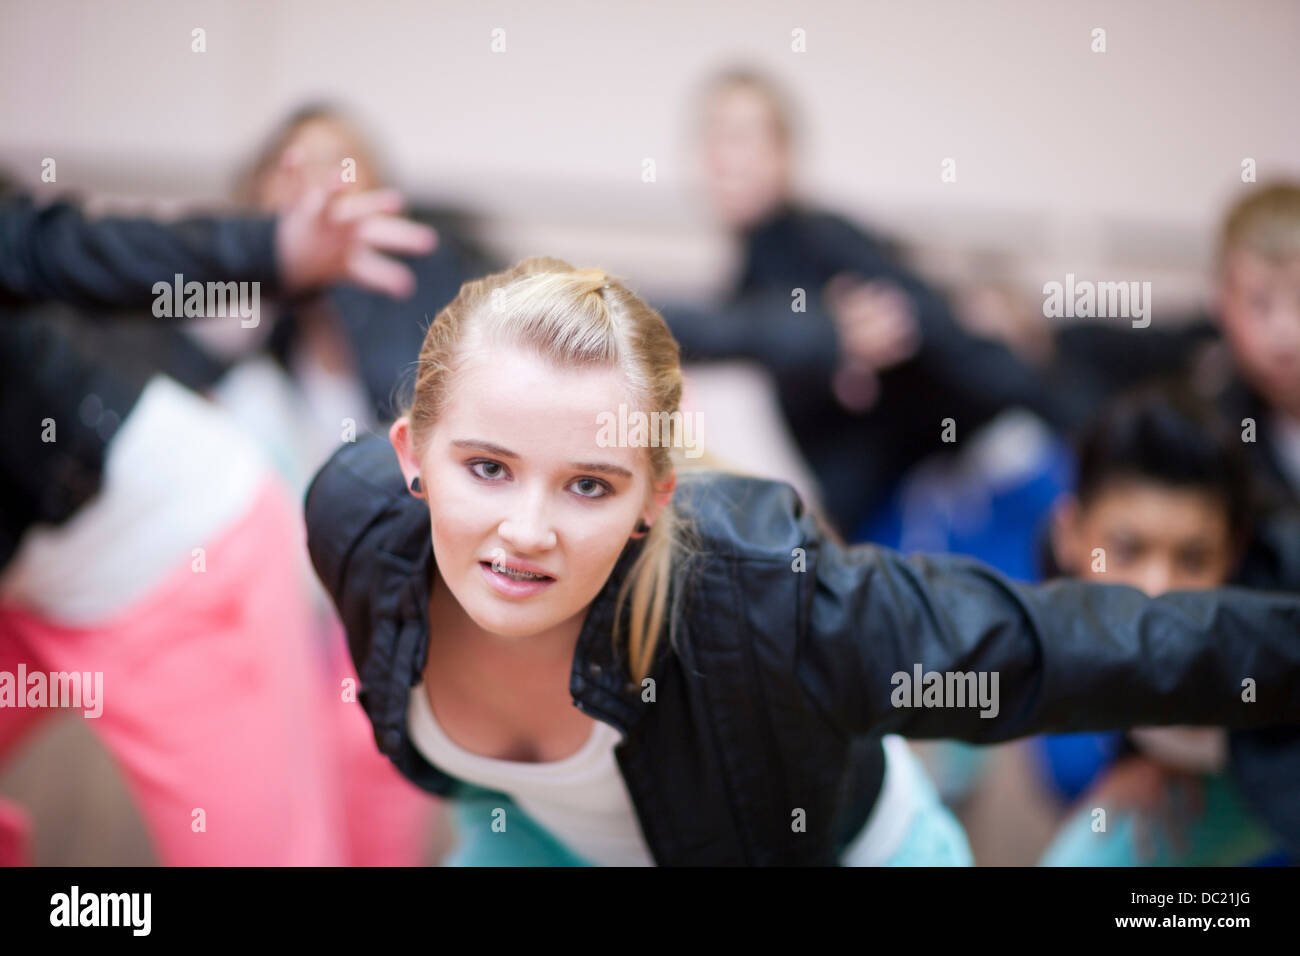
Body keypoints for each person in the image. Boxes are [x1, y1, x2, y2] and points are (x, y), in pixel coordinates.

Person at [304, 257, 1300, 866]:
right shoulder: (352, 521)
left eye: (589, 485)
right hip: (551, 843)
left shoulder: (762, 600)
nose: (526, 530)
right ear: (408, 458)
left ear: (657, 496)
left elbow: (1049, 642)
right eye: (486, 466)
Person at [0, 180, 437, 865]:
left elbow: (54, 245)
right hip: (28, 569)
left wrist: (268, 249)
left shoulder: (376, 349)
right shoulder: (239, 370)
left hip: (175, 558)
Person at [657, 68, 1074, 540]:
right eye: (712, 136)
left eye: (741, 137)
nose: (723, 156)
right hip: (905, 509)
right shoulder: (756, 280)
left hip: (994, 484)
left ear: (784, 156)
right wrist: (822, 336)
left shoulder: (824, 243)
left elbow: (942, 336)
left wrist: (1055, 402)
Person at [1035, 383, 1293, 865]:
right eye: (1128, 550)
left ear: (1234, 554)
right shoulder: (1045, 600)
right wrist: (1138, 755)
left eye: (1193, 559)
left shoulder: (1278, 611)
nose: (1156, 592)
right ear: (1068, 535)